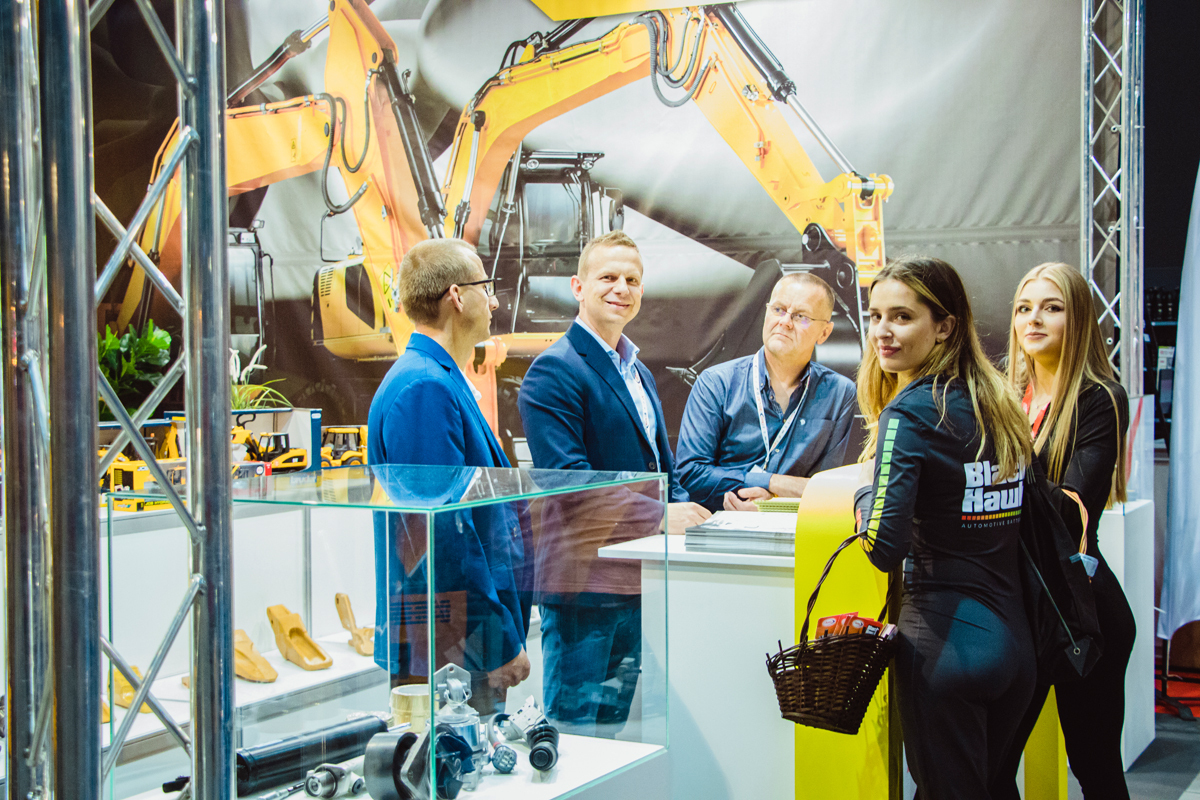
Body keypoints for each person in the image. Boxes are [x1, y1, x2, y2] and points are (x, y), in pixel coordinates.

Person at [853, 256, 1035, 799]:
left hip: (947, 647)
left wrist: (864, 491)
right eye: (876, 316)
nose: (883, 332)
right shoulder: (998, 401)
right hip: (1016, 648)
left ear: (945, 326)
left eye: (902, 317)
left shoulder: (909, 413)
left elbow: (882, 546)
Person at [518, 229, 710, 735]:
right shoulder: (553, 371)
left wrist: (691, 515)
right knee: (575, 736)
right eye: (608, 277)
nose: (621, 288)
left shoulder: (637, 372)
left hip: (636, 580)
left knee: (614, 738)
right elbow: (569, 481)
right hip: (585, 589)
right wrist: (662, 516)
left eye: (632, 279)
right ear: (578, 287)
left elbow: (663, 469)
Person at [367, 238, 531, 708]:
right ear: (457, 296)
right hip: (451, 648)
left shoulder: (435, 379)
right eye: (486, 287)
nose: (494, 301)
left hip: (454, 641)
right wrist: (495, 641)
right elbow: (443, 538)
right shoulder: (425, 387)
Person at [991, 263, 1134, 800]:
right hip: (1019, 609)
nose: (1033, 319)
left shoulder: (1100, 398)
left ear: (1078, 320)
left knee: (1096, 769)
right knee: (989, 769)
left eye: (1051, 308)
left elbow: (1071, 511)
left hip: (1079, 610)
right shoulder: (1005, 396)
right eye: (1024, 308)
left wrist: (1000, 466)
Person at [675, 272, 858, 512]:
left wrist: (772, 501)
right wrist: (772, 483)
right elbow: (691, 474)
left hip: (797, 527)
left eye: (801, 316)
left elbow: (826, 490)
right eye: (778, 309)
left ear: (824, 332)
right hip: (721, 522)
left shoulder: (839, 393)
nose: (785, 322)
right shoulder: (716, 383)